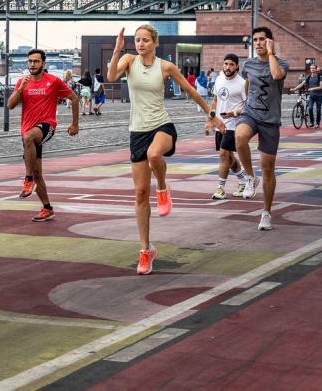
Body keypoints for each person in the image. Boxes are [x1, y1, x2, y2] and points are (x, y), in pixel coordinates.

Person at [107, 25, 224, 275]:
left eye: (145, 40)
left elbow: (190, 90)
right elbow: (111, 76)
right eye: (137, 40)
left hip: (162, 126)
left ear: (155, 43)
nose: (140, 44)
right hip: (137, 132)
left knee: (154, 155)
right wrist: (117, 50)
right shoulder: (129, 61)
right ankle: (146, 250)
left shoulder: (165, 67)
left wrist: (211, 114)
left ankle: (162, 188)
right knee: (140, 194)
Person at [8, 49, 79, 221]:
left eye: (36, 61)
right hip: (28, 129)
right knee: (38, 172)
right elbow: (10, 105)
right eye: (30, 61)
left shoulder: (53, 81)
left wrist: (75, 124)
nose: (32, 64)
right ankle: (47, 208)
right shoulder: (22, 82)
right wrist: (21, 89)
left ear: (43, 63)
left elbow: (74, 98)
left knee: (29, 137)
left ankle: (28, 180)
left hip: (47, 125)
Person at [235, 26, 290, 231]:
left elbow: (276, 75)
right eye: (255, 40)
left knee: (268, 170)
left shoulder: (281, 63)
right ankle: (250, 177)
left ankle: (266, 212)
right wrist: (244, 104)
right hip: (250, 114)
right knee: (240, 137)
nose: (258, 43)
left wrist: (270, 52)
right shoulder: (248, 64)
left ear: (269, 42)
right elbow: (247, 84)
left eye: (262, 39)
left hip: (270, 121)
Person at [204, 54, 249, 199]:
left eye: (231, 64)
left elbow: (248, 106)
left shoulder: (242, 83)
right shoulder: (219, 79)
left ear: (237, 66)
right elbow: (215, 101)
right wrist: (210, 119)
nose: (228, 67)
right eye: (226, 64)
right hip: (220, 124)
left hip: (234, 125)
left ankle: (221, 188)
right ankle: (243, 181)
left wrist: (233, 113)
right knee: (228, 156)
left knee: (223, 153)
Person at [291, 64, 322, 129]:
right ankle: (312, 122)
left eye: (313, 68)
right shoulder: (308, 77)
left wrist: (312, 89)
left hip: (318, 96)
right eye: (311, 68)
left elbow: (321, 87)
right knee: (310, 108)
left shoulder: (319, 77)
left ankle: (317, 123)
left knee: (318, 110)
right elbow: (302, 84)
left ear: (316, 69)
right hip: (311, 96)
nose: (312, 69)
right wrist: (294, 89)